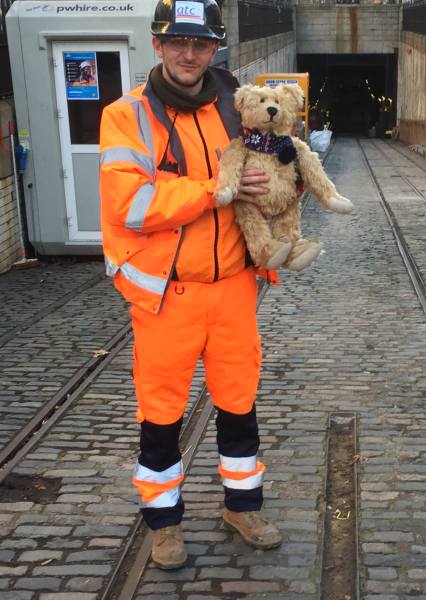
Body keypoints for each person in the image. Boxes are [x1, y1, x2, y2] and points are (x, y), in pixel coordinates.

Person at [99, 0, 282, 570]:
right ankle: (164, 526)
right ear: (157, 45)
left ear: (214, 48)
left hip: (231, 287)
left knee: (239, 403)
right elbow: (131, 203)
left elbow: (272, 173)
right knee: (161, 415)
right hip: (165, 293)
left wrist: (282, 189)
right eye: (177, 42)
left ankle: (242, 507)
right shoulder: (127, 116)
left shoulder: (239, 107)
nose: (188, 53)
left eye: (199, 44)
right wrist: (215, 189)